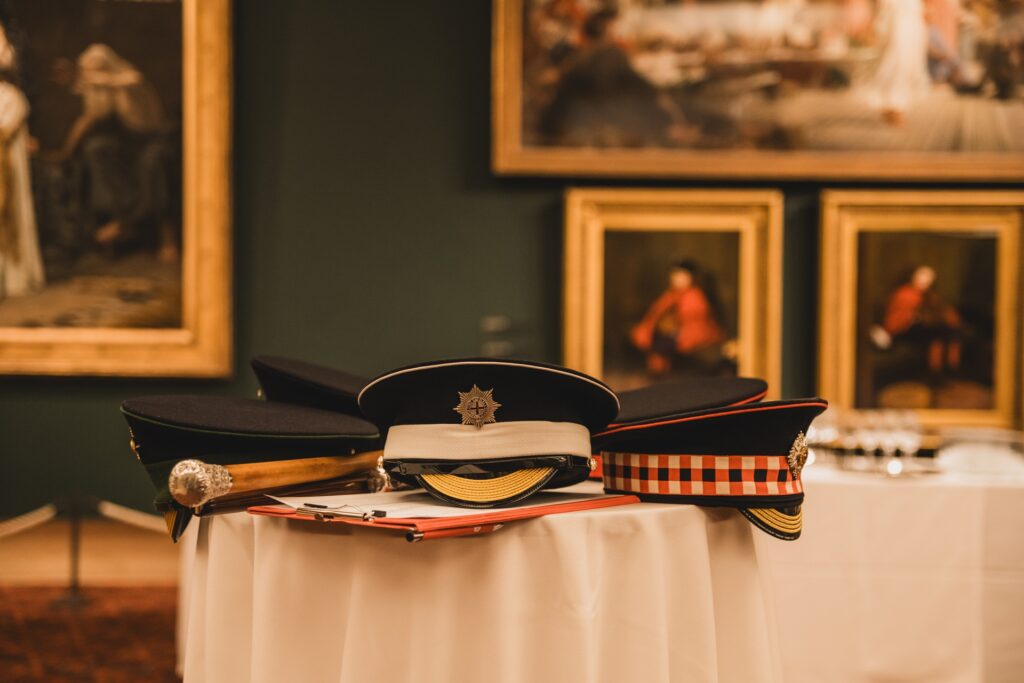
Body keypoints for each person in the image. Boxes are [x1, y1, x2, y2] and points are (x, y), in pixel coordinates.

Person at [52, 44, 178, 261]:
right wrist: (65, 151)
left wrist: (104, 79)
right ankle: (119, 219)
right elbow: (87, 120)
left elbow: (134, 79)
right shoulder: (102, 92)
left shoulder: (129, 80)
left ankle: (153, 234)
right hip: (128, 147)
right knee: (98, 149)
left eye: (94, 70)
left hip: (153, 141)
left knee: (152, 162)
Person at [0, 18, 44, 298]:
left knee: (10, 212)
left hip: (5, 166)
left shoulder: (11, 96)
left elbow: (5, 130)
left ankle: (13, 275)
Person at [630, 260, 727, 377]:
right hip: (669, 341)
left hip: (688, 342)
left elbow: (696, 321)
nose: (678, 279)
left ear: (691, 277)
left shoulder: (694, 296)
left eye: (682, 276)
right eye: (676, 275)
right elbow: (654, 316)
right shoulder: (669, 296)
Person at [879, 265, 962, 376]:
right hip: (901, 330)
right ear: (915, 278)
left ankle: (948, 371)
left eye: (928, 280)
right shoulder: (904, 293)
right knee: (936, 334)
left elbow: (940, 311)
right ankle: (935, 373)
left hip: (920, 328)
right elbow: (898, 319)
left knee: (950, 333)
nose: (925, 282)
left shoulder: (929, 295)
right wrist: (916, 316)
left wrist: (947, 317)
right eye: (922, 278)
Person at [863, 0, 932, 124]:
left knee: (910, 60)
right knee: (898, 58)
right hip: (896, 14)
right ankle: (893, 105)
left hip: (910, 13)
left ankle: (893, 105)